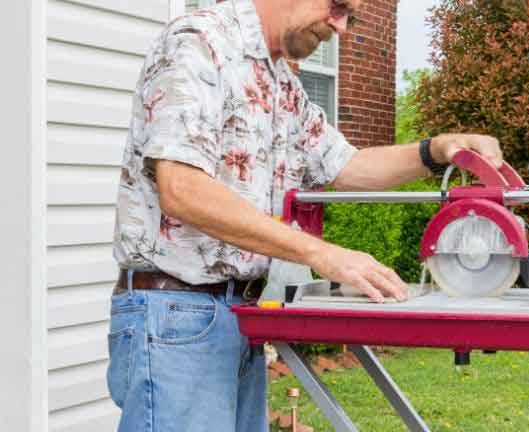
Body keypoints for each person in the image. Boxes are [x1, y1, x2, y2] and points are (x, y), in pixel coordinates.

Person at [108, 0, 503, 430]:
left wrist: (437, 149)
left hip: (237, 312)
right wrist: (321, 254)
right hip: (176, 313)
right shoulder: (201, 43)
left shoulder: (282, 82)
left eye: (350, 16)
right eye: (337, 7)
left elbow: (348, 167)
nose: (342, 27)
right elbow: (181, 190)